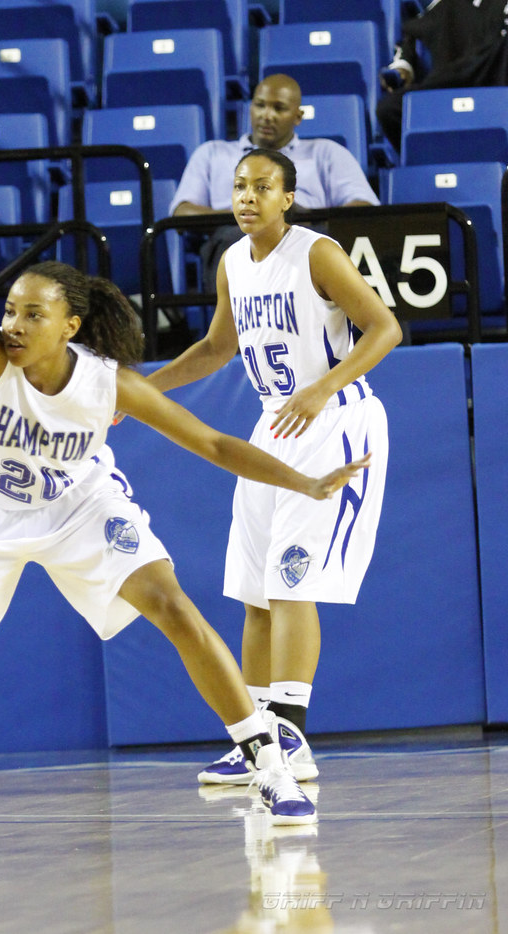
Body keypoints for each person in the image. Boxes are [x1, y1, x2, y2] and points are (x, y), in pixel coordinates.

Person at [0, 170, 373, 829]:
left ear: (71, 325)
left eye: (33, 314)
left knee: (173, 605)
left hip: (80, 507)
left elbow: (217, 446)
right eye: (9, 311)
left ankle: (268, 761)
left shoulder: (106, 384)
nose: (14, 324)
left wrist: (307, 483)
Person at [147, 149, 402, 786]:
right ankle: (258, 739)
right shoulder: (233, 261)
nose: (247, 196)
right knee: (255, 594)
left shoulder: (317, 253)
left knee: (292, 583)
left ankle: (292, 735)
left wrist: (321, 388)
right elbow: (216, 347)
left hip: (335, 419)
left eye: (263, 186)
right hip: (272, 427)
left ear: (288, 197)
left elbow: (385, 328)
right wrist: (147, 389)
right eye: (239, 187)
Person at [169, 74, 378, 285]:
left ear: (298, 116)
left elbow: (364, 208)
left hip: (307, 236)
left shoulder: (326, 152)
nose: (267, 115)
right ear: (249, 108)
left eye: (279, 108)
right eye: (260, 105)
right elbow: (182, 212)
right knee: (233, 240)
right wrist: (249, 215)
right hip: (237, 239)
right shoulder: (211, 154)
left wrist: (307, 217)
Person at [376, 0, 508, 152]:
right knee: (390, 109)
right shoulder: (449, 4)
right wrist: (404, 65)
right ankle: (428, 166)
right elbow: (412, 35)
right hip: (449, 86)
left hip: (497, 89)